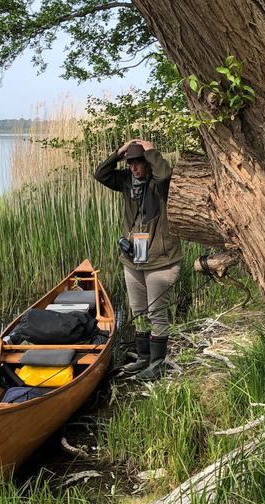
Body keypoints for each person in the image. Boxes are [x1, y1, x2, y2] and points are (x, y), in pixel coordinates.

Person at [94, 139, 182, 381]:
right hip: (133, 260)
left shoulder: (158, 184)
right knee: (138, 311)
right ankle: (143, 359)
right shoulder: (125, 182)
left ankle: (157, 363)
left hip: (161, 261)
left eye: (138, 163)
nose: (133, 168)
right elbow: (100, 174)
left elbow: (165, 175)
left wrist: (151, 150)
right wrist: (119, 152)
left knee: (156, 313)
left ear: (146, 163)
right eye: (130, 163)